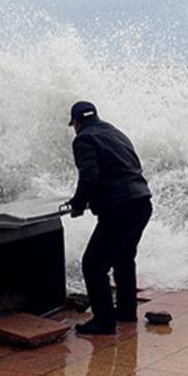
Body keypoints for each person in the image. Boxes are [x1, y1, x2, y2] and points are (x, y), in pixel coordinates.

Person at [65, 100, 153, 335]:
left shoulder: (83, 139)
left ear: (76, 122)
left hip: (120, 208)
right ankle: (126, 312)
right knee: (124, 259)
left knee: (93, 264)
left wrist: (78, 204)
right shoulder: (116, 133)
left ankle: (104, 321)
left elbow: (89, 175)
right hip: (142, 203)